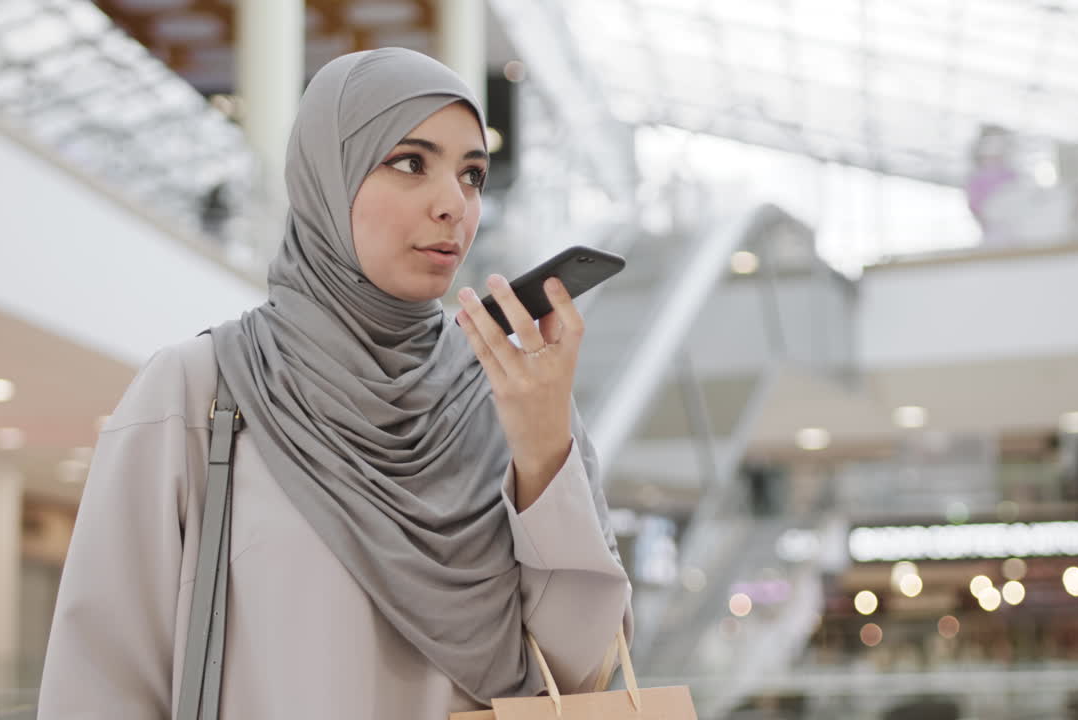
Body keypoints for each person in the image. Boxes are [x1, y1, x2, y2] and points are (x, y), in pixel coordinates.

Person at [36, 48, 632, 719]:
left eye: (471, 175)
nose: (453, 206)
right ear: (327, 174)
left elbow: (579, 677)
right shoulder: (201, 393)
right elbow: (100, 686)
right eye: (410, 162)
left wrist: (546, 452)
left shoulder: (514, 397)